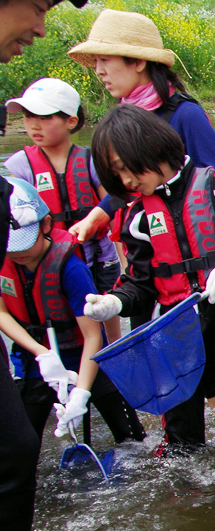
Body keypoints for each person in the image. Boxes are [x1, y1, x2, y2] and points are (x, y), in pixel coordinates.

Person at [81, 106, 215, 452]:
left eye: (125, 168)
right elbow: (140, 281)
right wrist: (115, 301)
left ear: (150, 147)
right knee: (181, 448)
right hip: (172, 337)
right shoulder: (136, 215)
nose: (126, 181)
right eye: (116, 174)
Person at [0, 0, 90, 531]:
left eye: (45, 115)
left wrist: (78, 384)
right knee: (22, 438)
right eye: (37, 5)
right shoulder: (16, 171)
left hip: (79, 315)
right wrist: (35, 351)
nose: (39, 27)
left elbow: (96, 337)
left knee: (99, 403)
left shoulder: (64, 258)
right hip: (35, 336)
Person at [66, 9, 215, 246]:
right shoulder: (119, 124)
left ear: (137, 61)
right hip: (148, 253)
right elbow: (129, 185)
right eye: (96, 61)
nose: (99, 71)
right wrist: (96, 216)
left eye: (104, 60)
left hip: (198, 249)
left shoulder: (185, 115)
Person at [0, 178, 144, 448]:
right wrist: (40, 353)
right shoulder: (3, 260)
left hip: (84, 357)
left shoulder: (70, 267)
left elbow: (93, 336)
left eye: (23, 243)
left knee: (132, 439)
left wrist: (81, 393)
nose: (16, 252)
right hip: (36, 363)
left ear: (45, 225)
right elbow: (2, 313)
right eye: (9, 244)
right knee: (20, 444)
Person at [5, 78, 121, 345]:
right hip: (48, 260)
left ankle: (114, 349)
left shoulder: (92, 160)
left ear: (70, 121)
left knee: (107, 314)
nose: (34, 125)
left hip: (96, 256)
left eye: (44, 117)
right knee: (64, 320)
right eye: (28, 116)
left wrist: (124, 263)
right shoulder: (21, 165)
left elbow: (114, 211)